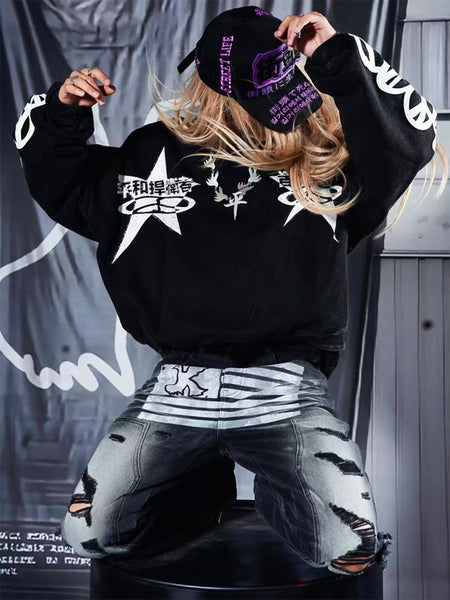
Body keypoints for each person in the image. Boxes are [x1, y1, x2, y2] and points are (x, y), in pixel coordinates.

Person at [13, 6, 446, 577]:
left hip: (284, 394)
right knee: (91, 533)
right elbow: (65, 181)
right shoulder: (151, 153)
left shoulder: (324, 161)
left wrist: (337, 54)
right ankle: (197, 488)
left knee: (350, 550)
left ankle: (280, 490)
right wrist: (62, 112)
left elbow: (408, 138)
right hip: (177, 391)